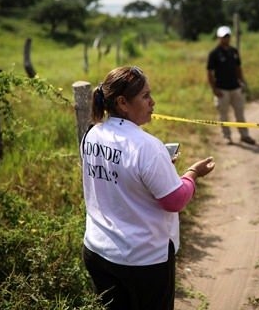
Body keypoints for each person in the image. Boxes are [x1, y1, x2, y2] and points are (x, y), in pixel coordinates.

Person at [80, 65, 216, 310]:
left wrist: (161, 166)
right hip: (141, 260)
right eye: (145, 96)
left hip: (98, 251)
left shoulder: (92, 134)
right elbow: (175, 200)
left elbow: (118, 175)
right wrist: (192, 174)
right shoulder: (147, 146)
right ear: (122, 102)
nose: (153, 102)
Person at [207, 25, 256, 145]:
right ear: (219, 37)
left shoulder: (234, 51)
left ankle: (244, 135)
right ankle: (227, 136)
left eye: (228, 36)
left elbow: (238, 68)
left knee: (240, 114)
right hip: (222, 89)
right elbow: (209, 73)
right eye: (224, 37)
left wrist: (242, 82)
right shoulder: (214, 54)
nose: (226, 39)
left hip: (235, 88)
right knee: (223, 115)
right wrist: (214, 89)